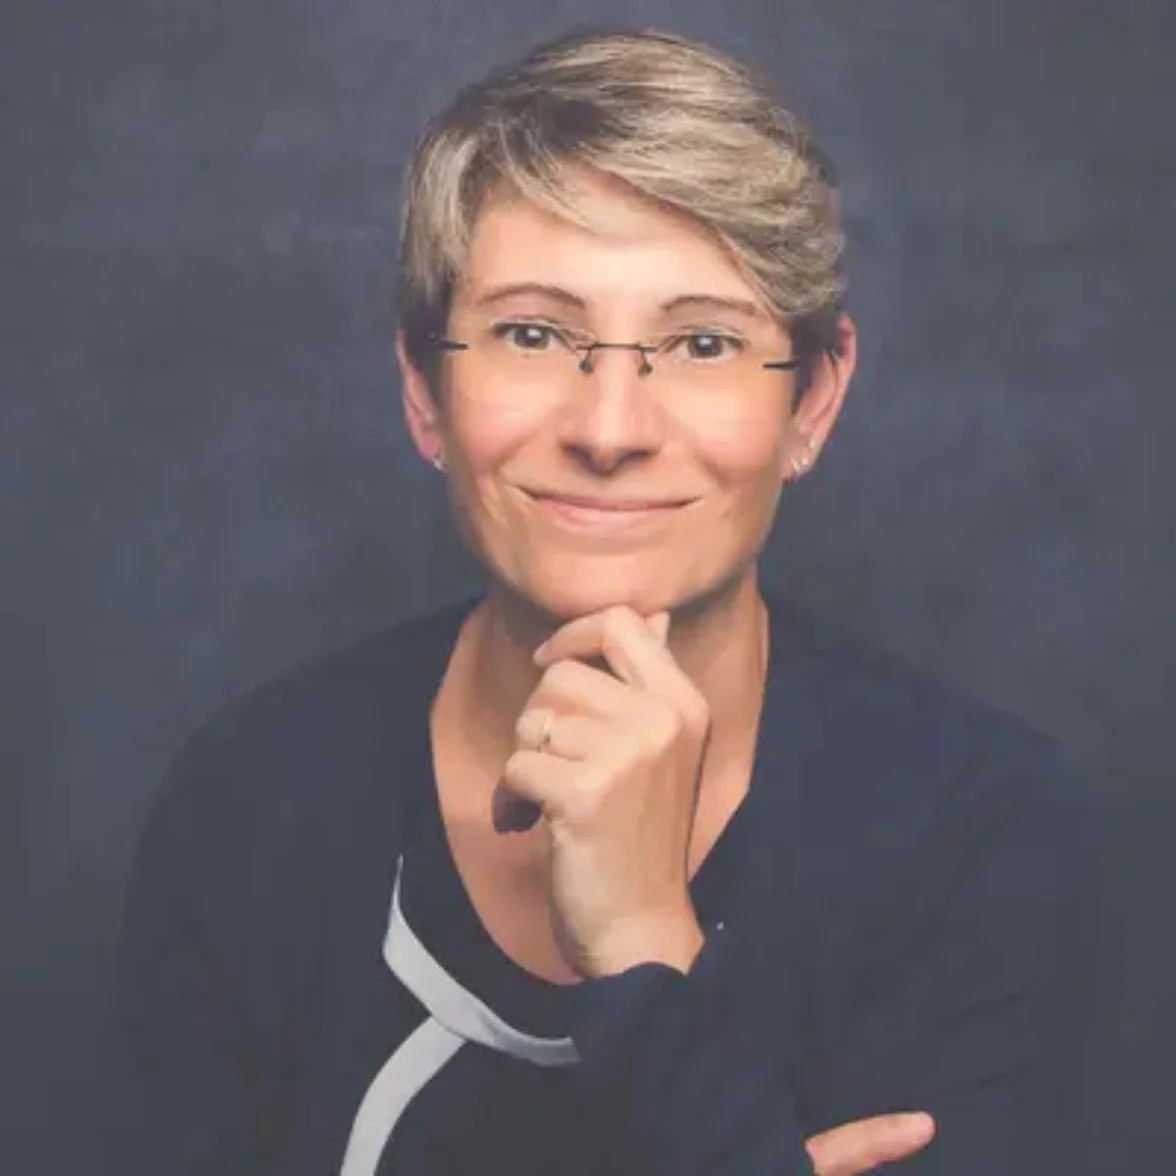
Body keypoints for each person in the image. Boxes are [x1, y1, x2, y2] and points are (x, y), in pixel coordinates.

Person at [100, 24, 1094, 1176]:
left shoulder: (984, 840)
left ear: (813, 401)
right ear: (425, 390)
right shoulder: (252, 804)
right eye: (533, 333)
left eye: (704, 342)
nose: (610, 429)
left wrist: (640, 938)